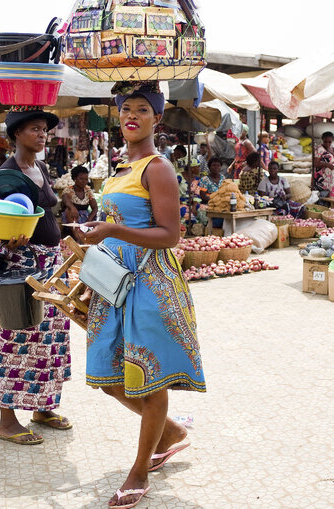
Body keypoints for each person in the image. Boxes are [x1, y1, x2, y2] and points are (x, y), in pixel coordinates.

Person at [80, 81, 205, 509]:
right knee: (108, 377)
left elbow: (170, 234)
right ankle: (169, 432)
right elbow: (114, 223)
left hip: (149, 283)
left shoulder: (158, 167)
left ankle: (139, 469)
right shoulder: (120, 168)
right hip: (114, 283)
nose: (132, 116)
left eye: (142, 109)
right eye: (126, 108)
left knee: (146, 379)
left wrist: (113, 230)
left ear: (157, 117)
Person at [0, 106, 72, 445]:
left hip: (50, 265)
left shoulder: (41, 167)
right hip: (21, 268)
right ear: (17, 134)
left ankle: (42, 406)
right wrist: (8, 238)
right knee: (17, 340)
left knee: (50, 341)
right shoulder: (5, 174)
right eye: (34, 129)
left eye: (44, 129)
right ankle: (7, 422)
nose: (42, 134)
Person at [61, 165, 97, 229]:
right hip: (72, 219)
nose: (84, 181)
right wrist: (72, 208)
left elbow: (95, 208)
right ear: (75, 178)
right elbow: (67, 201)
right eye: (81, 179)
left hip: (85, 218)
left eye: (86, 179)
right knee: (68, 210)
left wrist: (89, 220)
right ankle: (77, 236)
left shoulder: (88, 191)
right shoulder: (68, 190)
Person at [312, 131, 334, 198]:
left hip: (331, 177)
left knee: (330, 198)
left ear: (332, 140)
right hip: (322, 179)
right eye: (325, 142)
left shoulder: (333, 148)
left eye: (329, 142)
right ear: (322, 140)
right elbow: (315, 163)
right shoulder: (319, 149)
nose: (327, 144)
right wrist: (327, 165)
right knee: (322, 197)